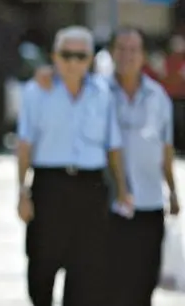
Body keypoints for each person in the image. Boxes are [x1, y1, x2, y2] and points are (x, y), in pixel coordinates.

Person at [34, 27, 180, 306]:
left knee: (143, 285)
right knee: (104, 286)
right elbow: (65, 79)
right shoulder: (97, 90)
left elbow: (166, 148)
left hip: (150, 205)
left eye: (134, 49)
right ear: (111, 53)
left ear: (143, 56)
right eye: (121, 49)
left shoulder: (158, 96)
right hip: (107, 207)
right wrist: (47, 73)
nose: (127, 55)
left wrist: (172, 191)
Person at [17, 26, 131, 306]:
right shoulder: (35, 92)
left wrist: (123, 189)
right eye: (66, 55)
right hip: (49, 186)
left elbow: (113, 145)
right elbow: (24, 146)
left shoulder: (102, 93)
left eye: (80, 56)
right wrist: (22, 193)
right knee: (42, 266)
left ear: (90, 59)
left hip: (90, 187)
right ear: (55, 57)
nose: (72, 63)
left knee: (87, 270)